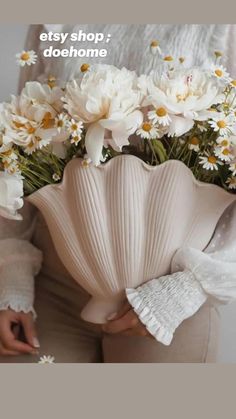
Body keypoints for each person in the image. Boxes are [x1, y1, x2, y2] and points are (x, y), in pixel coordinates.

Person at [0, 24, 236, 363]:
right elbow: (23, 136)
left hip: (169, 288)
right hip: (51, 282)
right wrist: (12, 277)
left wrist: (188, 288)